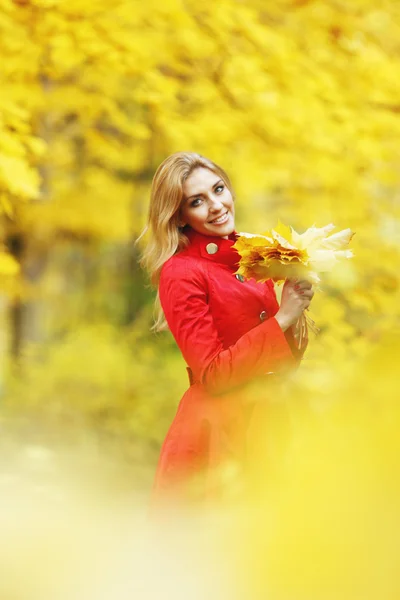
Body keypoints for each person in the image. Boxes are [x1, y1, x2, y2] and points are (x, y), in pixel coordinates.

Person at [138, 151, 314, 515]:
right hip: (217, 433)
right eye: (197, 202)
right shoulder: (181, 272)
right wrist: (281, 319)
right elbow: (214, 374)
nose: (217, 206)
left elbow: (278, 363)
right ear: (180, 216)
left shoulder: (251, 255)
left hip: (266, 424)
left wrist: (295, 310)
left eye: (219, 189)